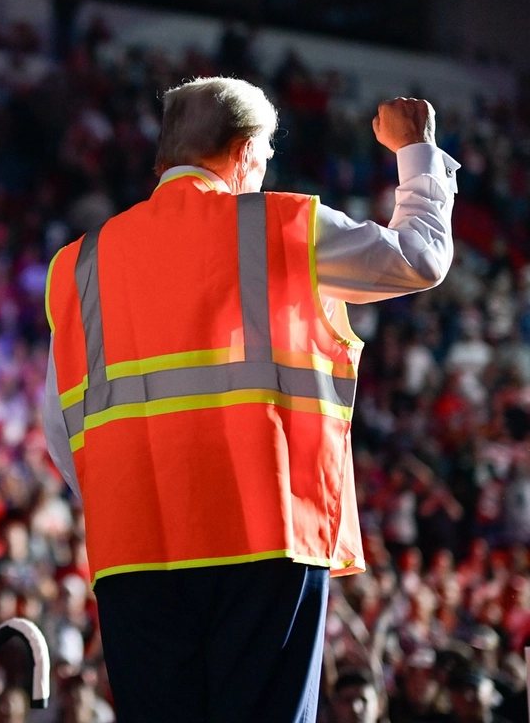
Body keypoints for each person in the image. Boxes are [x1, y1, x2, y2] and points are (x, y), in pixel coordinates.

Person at [43, 78, 458, 722]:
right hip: (265, 538)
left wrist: (136, 502)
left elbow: (60, 423)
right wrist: (419, 155)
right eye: (265, 158)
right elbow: (420, 258)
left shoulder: (80, 263)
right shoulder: (280, 224)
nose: (265, 174)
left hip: (133, 553)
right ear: (244, 151)